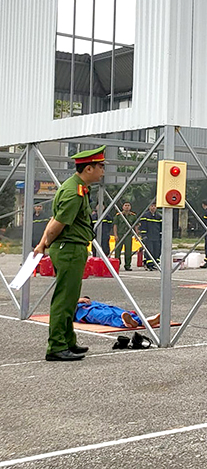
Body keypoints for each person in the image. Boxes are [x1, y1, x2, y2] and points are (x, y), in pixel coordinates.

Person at [33, 146, 106, 361]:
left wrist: (42, 244)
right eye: (100, 166)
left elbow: (54, 219)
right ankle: (56, 347)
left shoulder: (78, 187)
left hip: (70, 248)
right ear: (89, 168)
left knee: (71, 297)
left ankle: (67, 341)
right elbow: (57, 224)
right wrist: (44, 244)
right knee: (64, 299)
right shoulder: (75, 192)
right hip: (69, 249)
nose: (102, 170)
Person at [75, 296, 160, 329]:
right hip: (82, 311)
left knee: (118, 311)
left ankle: (144, 321)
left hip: (93, 304)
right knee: (106, 316)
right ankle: (125, 323)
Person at [112, 202, 138, 271]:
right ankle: (117, 265)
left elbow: (136, 226)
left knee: (128, 251)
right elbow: (115, 226)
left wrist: (136, 234)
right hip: (120, 235)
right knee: (117, 251)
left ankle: (127, 265)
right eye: (125, 205)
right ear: (123, 207)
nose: (127, 207)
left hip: (128, 235)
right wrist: (115, 235)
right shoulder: (118, 215)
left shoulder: (133, 216)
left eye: (128, 205)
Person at [138, 203, 162, 271]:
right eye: (152, 206)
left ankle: (156, 263)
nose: (153, 208)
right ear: (149, 207)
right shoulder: (145, 216)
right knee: (149, 250)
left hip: (156, 236)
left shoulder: (159, 216)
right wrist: (144, 235)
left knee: (157, 250)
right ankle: (149, 264)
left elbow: (161, 227)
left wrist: (161, 235)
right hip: (148, 236)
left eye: (154, 206)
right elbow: (143, 226)